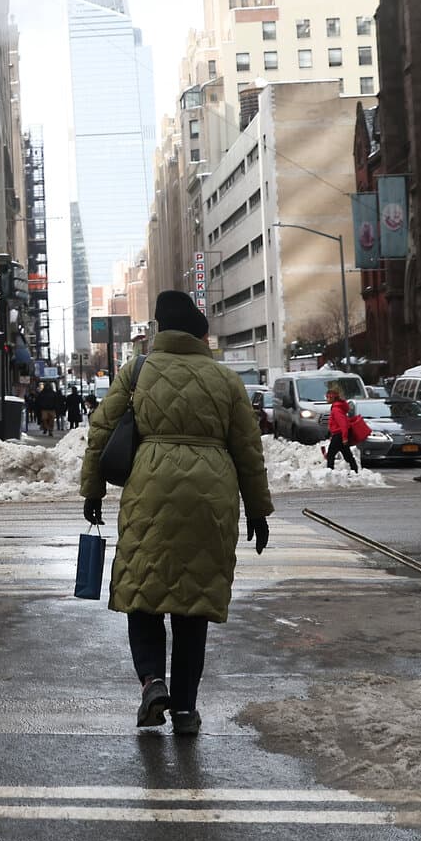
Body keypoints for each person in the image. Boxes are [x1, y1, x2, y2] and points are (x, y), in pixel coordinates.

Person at [81, 290, 270, 737]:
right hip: (212, 497)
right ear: (200, 333)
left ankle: (153, 680)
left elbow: (101, 429)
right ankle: (185, 709)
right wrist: (258, 512)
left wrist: (92, 489)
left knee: (143, 593)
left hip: (149, 491)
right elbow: (248, 449)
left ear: (161, 329)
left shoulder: (138, 371)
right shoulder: (224, 380)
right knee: (193, 605)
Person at [324, 393, 362, 472]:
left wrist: (344, 437)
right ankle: (354, 470)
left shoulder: (336, 409)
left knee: (331, 455)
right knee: (347, 454)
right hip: (339, 434)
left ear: (332, 398)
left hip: (339, 435)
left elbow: (343, 424)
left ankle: (329, 472)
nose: (326, 399)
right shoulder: (338, 407)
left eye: (327, 397)